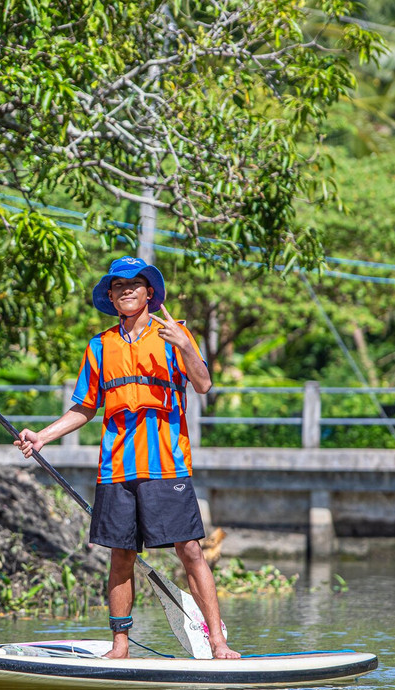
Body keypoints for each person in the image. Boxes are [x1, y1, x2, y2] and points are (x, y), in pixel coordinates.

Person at [15, 255, 239, 660]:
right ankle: (120, 645)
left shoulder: (174, 335)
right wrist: (43, 436)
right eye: (118, 287)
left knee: (189, 550)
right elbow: (83, 407)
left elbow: (203, 385)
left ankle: (218, 643)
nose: (126, 290)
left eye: (134, 284)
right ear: (112, 298)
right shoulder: (99, 346)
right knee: (121, 555)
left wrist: (187, 346)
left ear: (149, 293)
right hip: (115, 468)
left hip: (167, 465)